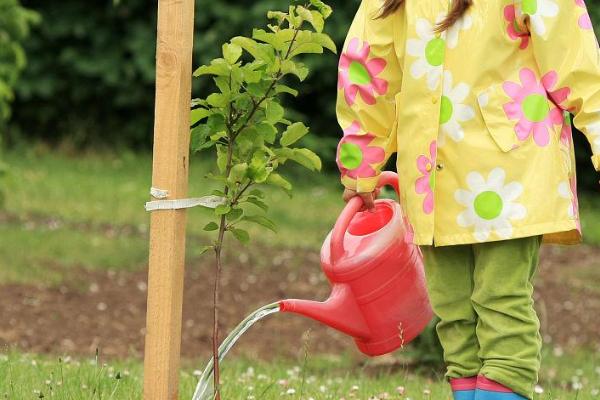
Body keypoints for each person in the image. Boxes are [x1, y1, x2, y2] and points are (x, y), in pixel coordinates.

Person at [336, 0, 600, 399]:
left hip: (511, 172)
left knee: (501, 302)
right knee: (454, 315)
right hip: (431, 179)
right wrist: (361, 163)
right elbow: (368, 68)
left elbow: (576, 60)